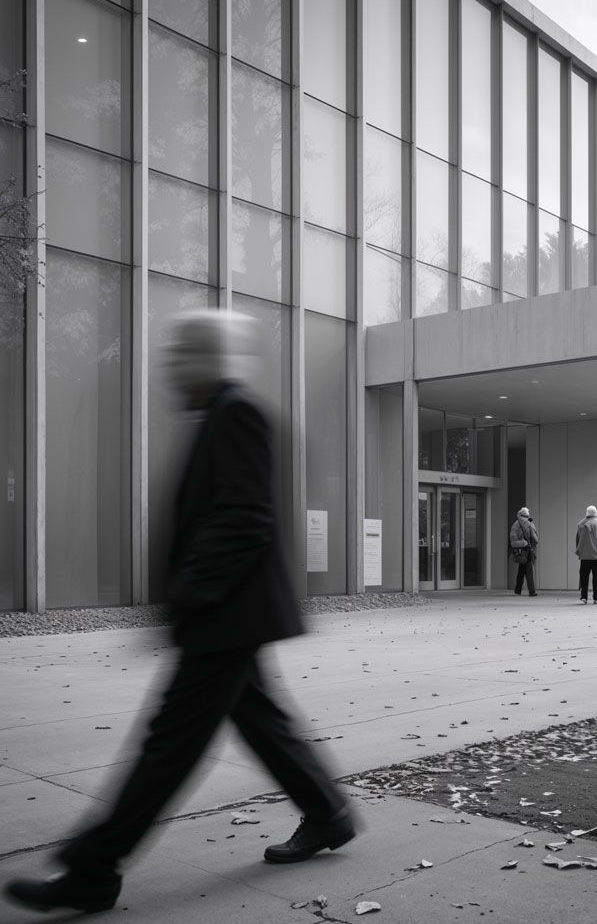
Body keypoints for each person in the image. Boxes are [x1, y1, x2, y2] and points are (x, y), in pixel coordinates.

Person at [5, 311, 355, 915]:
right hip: (230, 615)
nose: (169, 369)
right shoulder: (219, 415)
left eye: (179, 357)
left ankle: (96, 867)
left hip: (226, 615)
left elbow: (245, 519)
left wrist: (189, 593)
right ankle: (328, 812)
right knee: (258, 721)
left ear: (207, 359)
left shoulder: (236, 413)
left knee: (169, 746)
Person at [575, 505, 597, 603]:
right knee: (596, 576)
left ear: (587, 513)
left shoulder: (580, 523)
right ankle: (596, 597)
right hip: (596, 555)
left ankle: (584, 597)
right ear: (595, 513)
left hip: (584, 555)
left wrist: (579, 550)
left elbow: (577, 539)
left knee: (584, 576)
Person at [509, 506, 538, 597]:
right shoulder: (529, 523)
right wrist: (528, 543)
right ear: (526, 515)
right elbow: (535, 538)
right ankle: (532, 591)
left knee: (522, 570)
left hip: (520, 551)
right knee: (529, 570)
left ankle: (518, 589)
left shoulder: (515, 524)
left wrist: (521, 543)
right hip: (527, 550)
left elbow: (513, 540)